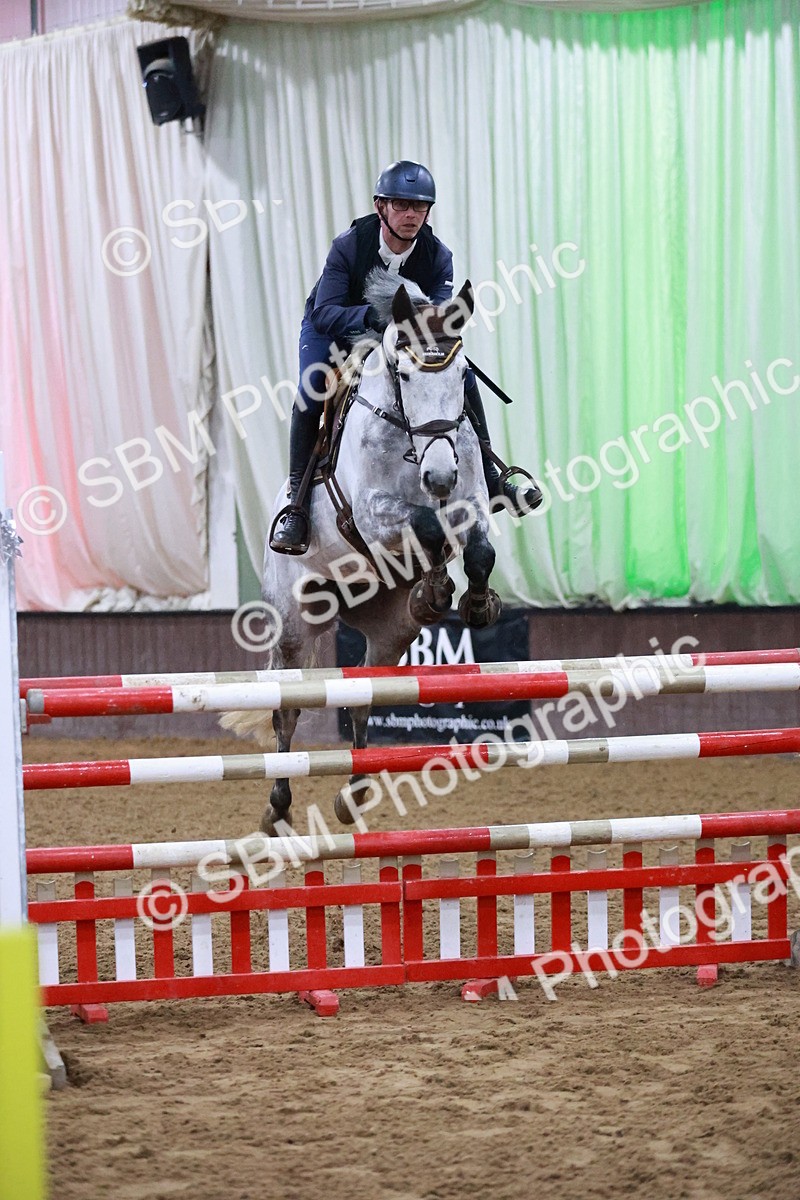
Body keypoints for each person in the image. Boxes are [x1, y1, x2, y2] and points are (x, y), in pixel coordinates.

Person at [270, 160, 542, 554]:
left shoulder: (437, 255)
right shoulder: (349, 245)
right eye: (401, 205)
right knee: (312, 387)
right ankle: (297, 504)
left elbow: (438, 320)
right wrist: (376, 319)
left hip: (400, 336)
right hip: (335, 328)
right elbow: (324, 312)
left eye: (420, 207)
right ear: (381, 206)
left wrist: (411, 334)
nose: (411, 214)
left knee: (459, 375)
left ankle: (493, 477)